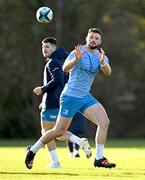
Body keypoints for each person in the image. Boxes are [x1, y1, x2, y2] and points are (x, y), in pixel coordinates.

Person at [25, 28, 116, 169]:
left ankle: (99, 158)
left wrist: (103, 63)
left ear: (100, 41)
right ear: (87, 38)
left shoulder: (101, 56)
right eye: (91, 37)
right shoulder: (77, 52)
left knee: (104, 122)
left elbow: (108, 72)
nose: (94, 40)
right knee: (59, 132)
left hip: (85, 96)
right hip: (70, 96)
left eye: (97, 38)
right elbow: (65, 69)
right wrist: (77, 59)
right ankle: (33, 150)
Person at [31, 37, 91, 169]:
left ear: (54, 48)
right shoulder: (62, 59)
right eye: (43, 47)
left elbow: (57, 80)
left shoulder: (53, 62)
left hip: (52, 103)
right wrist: (44, 98)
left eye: (47, 47)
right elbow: (63, 82)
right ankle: (79, 141)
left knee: (47, 132)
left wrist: (43, 90)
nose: (44, 49)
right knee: (57, 132)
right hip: (61, 101)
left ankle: (55, 162)